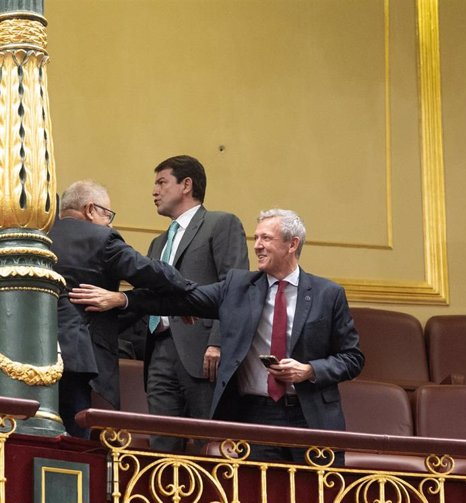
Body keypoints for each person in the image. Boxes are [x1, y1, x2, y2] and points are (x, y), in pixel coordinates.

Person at [70, 209, 364, 463]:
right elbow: (183, 298)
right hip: (254, 416)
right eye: (256, 238)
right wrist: (124, 300)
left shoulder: (328, 294)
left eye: (266, 239)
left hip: (310, 417)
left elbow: (352, 358)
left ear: (292, 244)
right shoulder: (238, 286)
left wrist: (310, 370)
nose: (257, 246)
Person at [49, 180, 191, 438]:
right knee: (74, 439)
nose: (110, 223)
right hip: (77, 356)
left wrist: (119, 299)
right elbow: (152, 273)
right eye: (107, 214)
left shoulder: (40, 235)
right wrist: (188, 288)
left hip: (29, 353)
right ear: (90, 209)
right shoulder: (101, 239)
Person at [144, 155, 249, 452]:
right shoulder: (157, 243)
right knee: (160, 444)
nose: (154, 191)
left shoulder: (221, 224)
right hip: (160, 349)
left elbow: (234, 287)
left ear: (186, 185)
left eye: (162, 182)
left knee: (209, 443)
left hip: (205, 350)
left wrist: (218, 341)